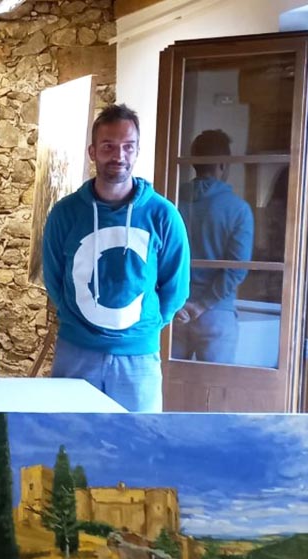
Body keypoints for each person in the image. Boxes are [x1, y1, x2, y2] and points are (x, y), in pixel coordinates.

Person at [42, 103, 189, 412]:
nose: (119, 156)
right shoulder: (65, 214)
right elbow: (55, 279)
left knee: (138, 447)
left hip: (138, 358)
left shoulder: (163, 214)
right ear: (93, 151)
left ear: (137, 151)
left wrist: (142, 327)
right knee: (68, 443)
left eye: (128, 147)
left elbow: (176, 287)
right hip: (76, 351)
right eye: (109, 146)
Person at [172, 129, 254, 364]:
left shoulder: (171, 203)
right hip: (217, 313)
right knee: (216, 393)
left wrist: (179, 304)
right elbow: (236, 268)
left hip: (176, 311)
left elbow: (159, 258)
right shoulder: (238, 209)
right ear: (223, 164)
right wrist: (201, 306)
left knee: (171, 388)